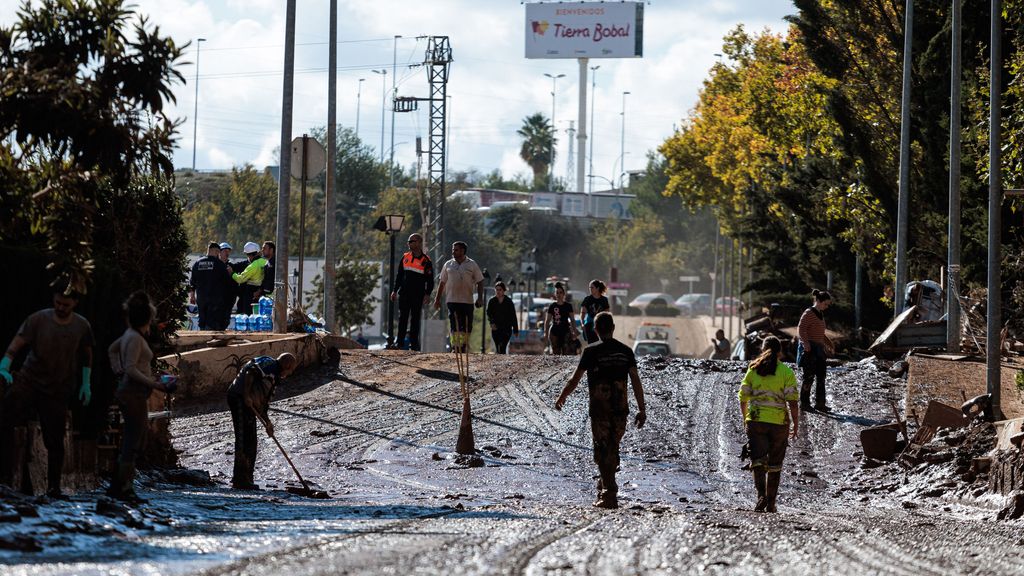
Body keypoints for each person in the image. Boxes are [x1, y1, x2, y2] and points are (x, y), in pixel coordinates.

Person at [0, 286, 94, 498]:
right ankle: (4, 478)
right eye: (58, 303)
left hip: (57, 387)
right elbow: (16, 345)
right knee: (6, 417)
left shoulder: (81, 326)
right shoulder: (38, 319)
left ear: (75, 303)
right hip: (29, 380)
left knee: (55, 438)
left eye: (66, 305)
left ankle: (54, 487)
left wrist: (86, 383)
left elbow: (87, 354)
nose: (61, 308)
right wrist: (4, 365)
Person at [555, 312, 646, 509]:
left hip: (600, 411)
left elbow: (574, 380)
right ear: (613, 328)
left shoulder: (591, 352)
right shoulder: (626, 351)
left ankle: (609, 493)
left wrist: (562, 396)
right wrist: (642, 408)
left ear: (595, 330)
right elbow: (636, 381)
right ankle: (605, 484)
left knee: (603, 450)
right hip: (621, 411)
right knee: (611, 448)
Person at [106, 291, 176, 503]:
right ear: (147, 319)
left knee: (132, 438)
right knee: (133, 440)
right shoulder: (135, 338)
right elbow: (131, 369)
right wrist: (155, 384)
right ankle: (124, 488)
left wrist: (117, 369)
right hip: (133, 393)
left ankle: (118, 486)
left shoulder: (128, 335)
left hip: (130, 391)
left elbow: (112, 350)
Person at [738, 336, 799, 513]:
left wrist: (745, 419)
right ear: (780, 351)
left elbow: (743, 397)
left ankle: (761, 496)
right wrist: (795, 424)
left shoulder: (753, 370)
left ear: (762, 349)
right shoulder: (786, 372)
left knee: (757, 461)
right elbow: (793, 402)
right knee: (775, 465)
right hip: (779, 424)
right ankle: (771, 503)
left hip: (756, 421)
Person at [227, 353, 297, 490]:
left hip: (249, 404)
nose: (289, 374)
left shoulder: (274, 378)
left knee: (252, 441)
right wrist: (246, 395)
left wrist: (268, 423)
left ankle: (247, 478)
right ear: (286, 365)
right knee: (243, 439)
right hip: (239, 398)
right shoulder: (269, 364)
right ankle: (240, 480)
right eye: (290, 370)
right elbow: (250, 372)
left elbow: (263, 404)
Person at [433, 241, 484, 353]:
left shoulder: (472, 264)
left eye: (456, 250)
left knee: (466, 326)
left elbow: (480, 281)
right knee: (454, 324)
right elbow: (442, 283)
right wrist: (437, 299)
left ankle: (464, 345)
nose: (453, 252)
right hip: (452, 300)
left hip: (468, 301)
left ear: (462, 251)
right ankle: (455, 346)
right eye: (453, 249)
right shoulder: (448, 264)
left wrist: (480, 298)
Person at [390, 233, 434, 351]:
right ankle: (399, 343)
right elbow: (399, 276)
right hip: (404, 294)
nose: (409, 244)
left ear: (419, 242)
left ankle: (414, 345)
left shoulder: (426, 261)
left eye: (412, 241)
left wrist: (427, 294)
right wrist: (394, 291)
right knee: (402, 318)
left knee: (415, 320)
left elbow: (430, 280)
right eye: (409, 242)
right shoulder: (405, 257)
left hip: (417, 295)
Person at [796, 289, 833, 412]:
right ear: (818, 301)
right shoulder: (809, 313)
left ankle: (820, 403)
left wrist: (829, 343)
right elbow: (801, 329)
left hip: (819, 349)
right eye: (825, 304)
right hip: (810, 349)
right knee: (809, 377)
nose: (827, 307)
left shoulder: (820, 314)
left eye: (828, 304)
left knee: (821, 376)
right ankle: (805, 403)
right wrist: (805, 343)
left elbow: (820, 333)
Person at [189, 242, 231, 330]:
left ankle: (202, 336)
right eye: (218, 252)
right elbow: (227, 282)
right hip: (215, 299)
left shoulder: (197, 263)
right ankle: (210, 339)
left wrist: (192, 296)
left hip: (201, 298)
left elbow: (192, 282)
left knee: (202, 320)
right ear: (216, 251)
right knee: (213, 321)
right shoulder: (219, 264)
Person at [231, 241, 268, 315]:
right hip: (262, 293)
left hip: (251, 293)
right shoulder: (265, 262)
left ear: (248, 255)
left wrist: (232, 273)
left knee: (249, 315)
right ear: (257, 252)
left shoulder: (253, 265)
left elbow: (240, 279)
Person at [544, 282, 578, 355]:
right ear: (555, 294)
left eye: (561, 292)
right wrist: (545, 333)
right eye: (557, 293)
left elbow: (572, 320)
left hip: (566, 332)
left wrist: (574, 331)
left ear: (564, 294)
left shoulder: (568, 306)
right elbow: (547, 321)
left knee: (566, 353)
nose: (559, 294)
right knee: (556, 354)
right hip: (554, 332)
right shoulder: (552, 306)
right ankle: (556, 366)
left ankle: (564, 366)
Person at [486, 281, 519, 354]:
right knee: (498, 347)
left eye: (500, 289)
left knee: (502, 347)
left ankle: (502, 363)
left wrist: (515, 330)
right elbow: (488, 313)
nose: (498, 291)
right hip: (496, 328)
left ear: (503, 290)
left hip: (506, 329)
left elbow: (513, 316)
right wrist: (492, 322)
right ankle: (499, 363)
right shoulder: (492, 301)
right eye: (496, 289)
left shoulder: (509, 302)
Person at [579, 280, 610, 344]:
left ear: (597, 288)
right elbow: (582, 313)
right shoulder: (587, 299)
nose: (590, 289)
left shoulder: (604, 300)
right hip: (590, 324)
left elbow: (607, 314)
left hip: (601, 324)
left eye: (592, 287)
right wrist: (582, 323)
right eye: (589, 287)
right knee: (592, 344)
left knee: (602, 343)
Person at [219, 242, 239, 327]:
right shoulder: (216, 265)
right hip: (218, 298)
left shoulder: (231, 266)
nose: (227, 253)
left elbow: (236, 281)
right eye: (224, 251)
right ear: (219, 252)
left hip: (229, 297)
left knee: (226, 318)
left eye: (228, 251)